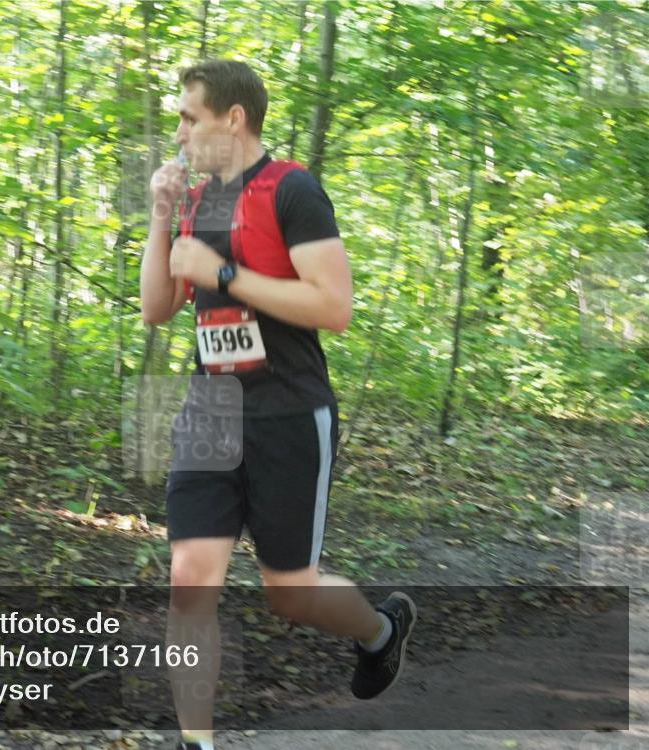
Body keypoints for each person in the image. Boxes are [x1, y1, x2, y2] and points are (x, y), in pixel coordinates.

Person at [139, 59, 417, 750]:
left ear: (232, 120)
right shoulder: (198, 202)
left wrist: (227, 274)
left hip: (289, 410)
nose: (178, 132)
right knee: (189, 579)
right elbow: (156, 308)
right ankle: (195, 743)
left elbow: (335, 306)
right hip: (211, 410)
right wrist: (160, 216)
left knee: (289, 592)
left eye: (188, 117)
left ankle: (381, 632)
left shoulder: (293, 190)